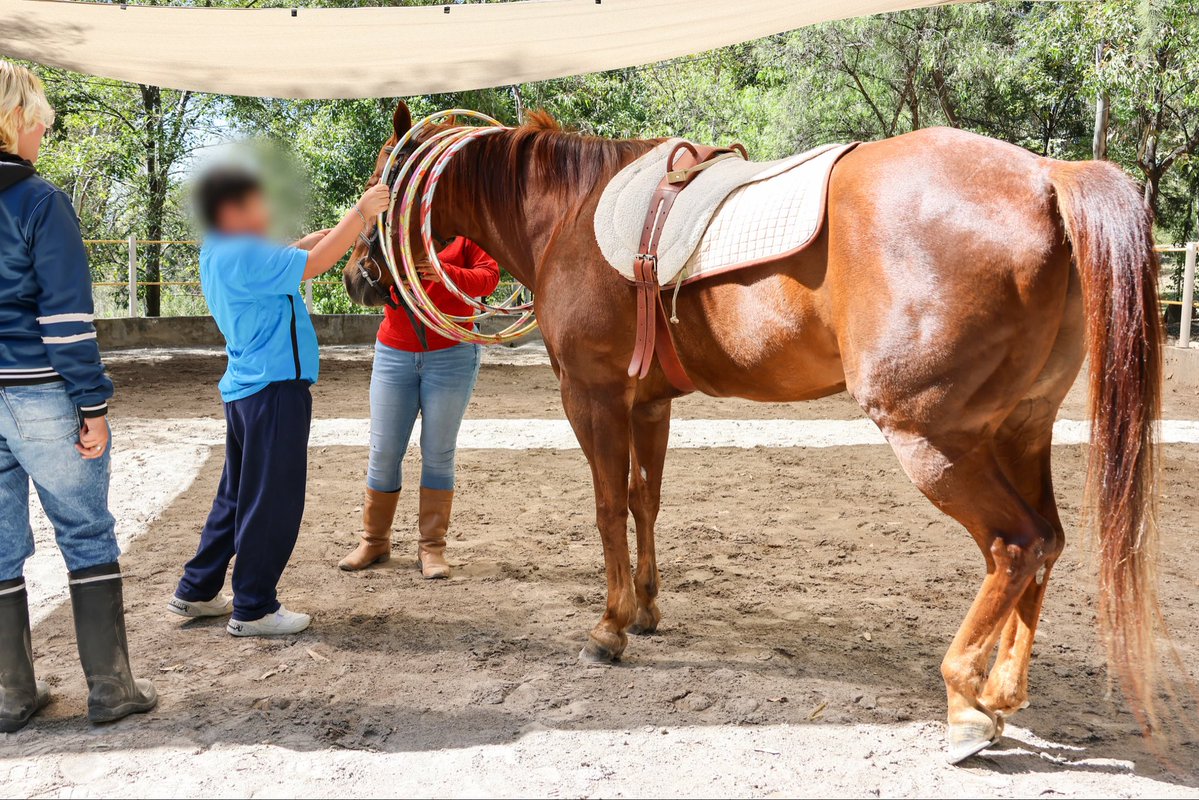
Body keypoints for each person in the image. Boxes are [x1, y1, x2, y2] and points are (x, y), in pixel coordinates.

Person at [0, 61, 156, 732]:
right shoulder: (39, 201)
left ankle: (9, 696)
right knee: (85, 530)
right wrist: (92, 404)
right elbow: (65, 321)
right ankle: (111, 689)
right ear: (15, 120)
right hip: (38, 390)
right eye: (40, 122)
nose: (44, 134)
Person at [167, 165, 390, 636]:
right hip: (275, 390)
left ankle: (197, 589)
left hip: (246, 391)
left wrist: (303, 242)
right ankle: (253, 607)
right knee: (273, 501)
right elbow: (313, 265)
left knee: (237, 496)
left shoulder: (218, 249)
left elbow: (281, 263)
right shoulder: (246, 252)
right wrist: (360, 212)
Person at [339, 238, 499, 577]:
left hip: (453, 353)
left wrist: (445, 274)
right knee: (383, 451)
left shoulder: (464, 230)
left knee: (438, 452)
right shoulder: (395, 226)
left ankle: (431, 548)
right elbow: (367, 269)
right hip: (393, 353)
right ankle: (374, 541)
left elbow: (490, 277)